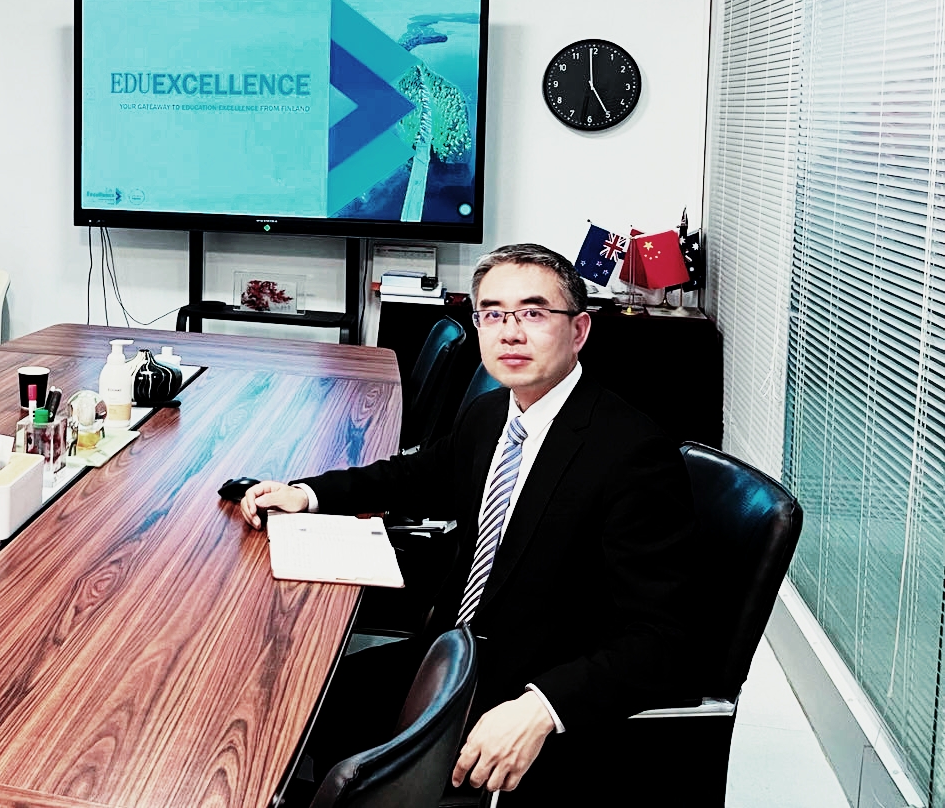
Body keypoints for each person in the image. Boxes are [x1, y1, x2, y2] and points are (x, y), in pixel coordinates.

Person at [241, 243, 695, 802]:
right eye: (493, 314)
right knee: (283, 703)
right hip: (448, 654)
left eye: (533, 313)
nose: (510, 333)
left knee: (302, 731)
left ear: (578, 330)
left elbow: (662, 640)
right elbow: (412, 477)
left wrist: (542, 707)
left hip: (524, 686)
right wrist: (308, 493)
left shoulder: (632, 453)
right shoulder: (492, 413)